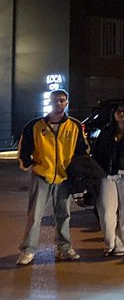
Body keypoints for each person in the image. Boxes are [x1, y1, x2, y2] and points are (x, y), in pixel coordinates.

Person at [16, 89, 88, 264]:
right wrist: (30, 164)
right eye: (55, 100)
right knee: (35, 215)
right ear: (50, 101)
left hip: (64, 177)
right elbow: (24, 148)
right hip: (41, 176)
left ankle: (64, 248)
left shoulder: (74, 125)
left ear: (67, 103)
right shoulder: (35, 125)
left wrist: (75, 171)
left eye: (62, 100)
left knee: (64, 214)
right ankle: (28, 250)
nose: (58, 103)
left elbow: (82, 150)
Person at [93, 101, 124, 257]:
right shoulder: (106, 131)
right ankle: (109, 242)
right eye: (119, 111)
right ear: (113, 114)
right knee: (106, 210)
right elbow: (97, 152)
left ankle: (123, 244)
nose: (122, 113)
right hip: (107, 175)